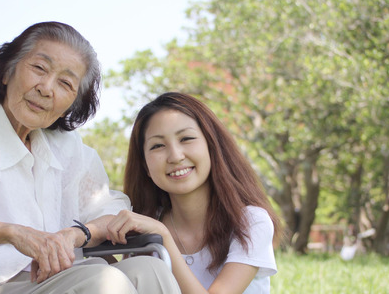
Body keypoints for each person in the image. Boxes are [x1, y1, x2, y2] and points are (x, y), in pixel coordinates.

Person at [0, 22, 180, 294]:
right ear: (7, 71)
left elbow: (110, 212)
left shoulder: (69, 149)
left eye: (65, 83)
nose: (46, 88)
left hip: (63, 279)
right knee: (104, 280)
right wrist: (11, 233)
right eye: (39, 68)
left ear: (72, 103)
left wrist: (77, 234)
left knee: (150, 269)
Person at [106, 92, 281, 293]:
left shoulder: (250, 222)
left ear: (212, 146)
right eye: (158, 145)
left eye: (186, 138)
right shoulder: (144, 225)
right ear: (145, 165)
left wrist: (162, 236)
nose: (175, 156)